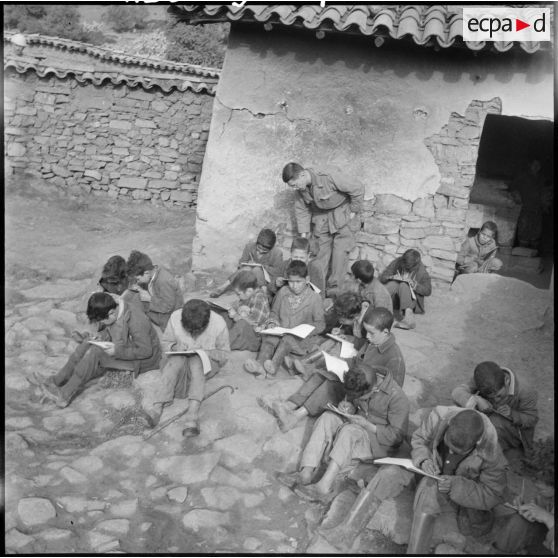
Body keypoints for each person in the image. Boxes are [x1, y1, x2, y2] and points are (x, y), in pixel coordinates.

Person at [319, 406, 507, 553]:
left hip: (452, 492)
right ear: (449, 426)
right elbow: (419, 439)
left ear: (475, 444)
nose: (449, 452)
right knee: (387, 474)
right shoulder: (440, 416)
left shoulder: (491, 452)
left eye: (457, 452)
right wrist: (424, 458)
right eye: (448, 445)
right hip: (423, 468)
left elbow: (492, 494)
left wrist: (456, 486)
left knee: (427, 496)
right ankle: (346, 532)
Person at [279, 363, 409, 505]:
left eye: (363, 397)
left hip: (378, 444)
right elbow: (353, 399)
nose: (361, 399)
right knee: (327, 417)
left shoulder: (397, 398)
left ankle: (323, 487)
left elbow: (396, 437)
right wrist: (348, 407)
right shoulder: (362, 379)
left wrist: (368, 425)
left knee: (349, 432)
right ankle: (305, 473)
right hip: (356, 426)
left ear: (374, 389)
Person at [260, 306, 405, 432]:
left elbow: (390, 395)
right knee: (323, 372)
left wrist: (354, 402)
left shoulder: (394, 359)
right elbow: (357, 361)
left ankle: (294, 417)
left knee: (331, 385)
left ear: (386, 332)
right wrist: (337, 362)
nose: (367, 336)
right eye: (366, 331)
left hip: (364, 397)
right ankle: (289, 406)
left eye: (371, 333)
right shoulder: (373, 342)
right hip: (355, 381)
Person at [41, 292, 161, 408]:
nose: (102, 323)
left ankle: (64, 394)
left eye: (102, 320)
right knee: (86, 344)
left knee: (95, 353)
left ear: (111, 312)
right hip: (124, 348)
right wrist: (101, 336)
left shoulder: (136, 321)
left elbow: (146, 351)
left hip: (144, 361)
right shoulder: (115, 310)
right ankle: (57, 380)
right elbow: (113, 329)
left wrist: (117, 351)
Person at [142, 299, 230, 437]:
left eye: (197, 331)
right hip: (179, 362)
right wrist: (175, 347)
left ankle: (192, 414)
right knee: (175, 360)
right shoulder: (176, 317)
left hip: (205, 365)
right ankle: (157, 406)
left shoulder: (219, 323)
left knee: (197, 361)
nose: (193, 334)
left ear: (205, 324)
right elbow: (166, 343)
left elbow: (224, 355)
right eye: (189, 330)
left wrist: (206, 351)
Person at [282, 162, 364, 295]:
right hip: (321, 218)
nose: (294, 188)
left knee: (340, 255)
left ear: (302, 175)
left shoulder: (328, 176)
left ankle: (333, 293)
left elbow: (357, 188)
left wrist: (353, 211)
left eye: (294, 184)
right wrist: (304, 239)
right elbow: (301, 210)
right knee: (320, 257)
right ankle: (316, 292)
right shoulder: (301, 190)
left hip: (342, 215)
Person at [244, 260, 325, 377]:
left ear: (307, 279)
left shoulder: (314, 298)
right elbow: (274, 312)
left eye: (298, 282)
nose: (294, 286)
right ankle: (259, 366)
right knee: (270, 338)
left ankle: (273, 367)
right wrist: (273, 323)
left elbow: (321, 324)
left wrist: (305, 330)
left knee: (288, 339)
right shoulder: (283, 292)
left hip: (300, 341)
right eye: (291, 282)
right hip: (280, 333)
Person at [451, 361, 538, 457]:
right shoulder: (484, 378)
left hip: (512, 429)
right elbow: (456, 393)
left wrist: (512, 414)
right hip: (490, 418)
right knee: (463, 411)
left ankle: (487, 450)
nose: (495, 400)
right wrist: (476, 399)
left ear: (506, 380)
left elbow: (532, 419)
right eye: (491, 397)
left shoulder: (525, 390)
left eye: (499, 396)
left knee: (490, 425)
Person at [283, 291, 367, 377]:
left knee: (333, 351)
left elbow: (367, 344)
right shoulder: (353, 313)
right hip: (350, 343)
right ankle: (301, 363)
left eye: (342, 320)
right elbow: (349, 327)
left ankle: (306, 368)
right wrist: (342, 332)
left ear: (355, 317)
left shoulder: (368, 321)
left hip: (359, 352)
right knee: (330, 342)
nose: (340, 321)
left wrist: (349, 338)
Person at [210, 228, 283, 298]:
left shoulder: (277, 253)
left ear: (271, 248)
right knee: (247, 268)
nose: (260, 251)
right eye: (259, 248)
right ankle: (223, 287)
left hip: (267, 282)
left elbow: (278, 272)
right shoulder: (249, 246)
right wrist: (248, 264)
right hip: (250, 277)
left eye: (264, 250)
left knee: (257, 269)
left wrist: (263, 267)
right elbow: (241, 263)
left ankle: (264, 294)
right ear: (256, 243)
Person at [126, 250, 183, 332]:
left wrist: (149, 298)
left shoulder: (164, 281)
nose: (137, 281)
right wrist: (139, 287)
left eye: (138, 279)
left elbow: (167, 307)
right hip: (162, 314)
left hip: (170, 320)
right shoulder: (151, 273)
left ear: (146, 273)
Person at [379, 248, 432, 330]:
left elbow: (428, 291)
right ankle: (377, 307)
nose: (405, 268)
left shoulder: (422, 272)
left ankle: (409, 320)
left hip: (410, 302)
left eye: (408, 267)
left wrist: (415, 285)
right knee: (393, 284)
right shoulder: (398, 262)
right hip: (394, 299)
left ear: (415, 265)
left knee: (404, 285)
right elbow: (383, 277)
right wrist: (391, 277)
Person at [226, 269, 270, 351]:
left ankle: (223, 345)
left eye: (238, 294)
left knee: (241, 323)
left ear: (249, 291)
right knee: (225, 315)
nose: (238, 297)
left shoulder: (259, 297)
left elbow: (253, 321)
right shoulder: (248, 295)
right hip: (246, 334)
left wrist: (236, 315)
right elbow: (241, 308)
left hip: (255, 339)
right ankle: (224, 342)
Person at [509, 159, 545, 250]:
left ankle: (534, 253)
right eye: (534, 164)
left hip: (537, 210)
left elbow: (545, 193)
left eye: (538, 165)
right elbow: (513, 187)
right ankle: (522, 252)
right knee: (524, 230)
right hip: (525, 208)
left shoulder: (541, 178)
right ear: (530, 165)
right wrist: (517, 197)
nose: (536, 167)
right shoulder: (523, 176)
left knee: (536, 231)